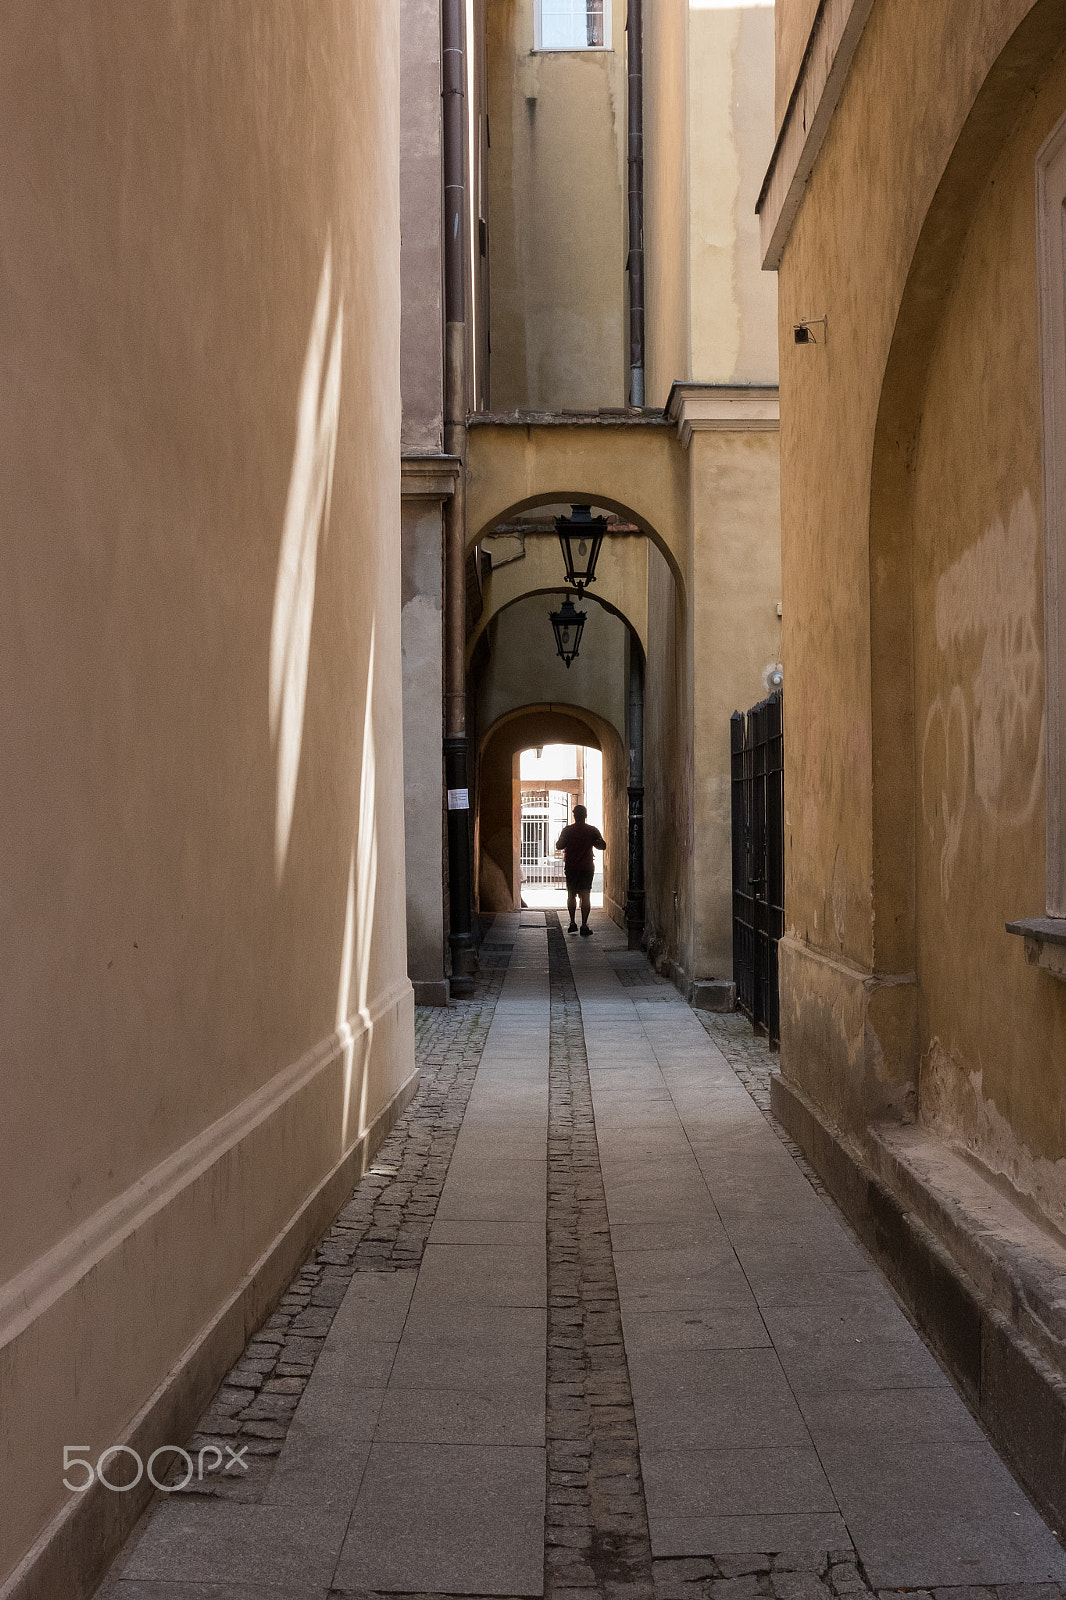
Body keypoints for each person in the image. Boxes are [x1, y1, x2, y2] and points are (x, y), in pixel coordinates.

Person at [555, 803, 607, 936]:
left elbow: (559, 845)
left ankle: (572, 923)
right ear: (586, 816)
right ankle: (584, 925)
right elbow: (602, 846)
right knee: (586, 895)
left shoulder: (567, 830)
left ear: (574, 815)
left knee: (571, 895)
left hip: (571, 867)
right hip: (586, 867)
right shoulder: (592, 830)